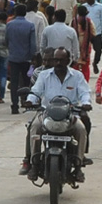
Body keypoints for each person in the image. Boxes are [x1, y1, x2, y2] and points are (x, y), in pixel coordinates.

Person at [21, 48, 90, 180]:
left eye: (61, 60)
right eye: (56, 60)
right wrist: (30, 101)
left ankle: (79, 165)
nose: (58, 63)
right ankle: (34, 164)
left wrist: (86, 103)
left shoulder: (77, 76)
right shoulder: (44, 75)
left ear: (68, 60)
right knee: (34, 127)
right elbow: (35, 91)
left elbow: (84, 92)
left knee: (81, 129)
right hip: (47, 113)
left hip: (70, 114)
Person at [5, 6, 38, 114]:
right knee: (26, 81)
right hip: (26, 58)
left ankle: (14, 105)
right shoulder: (30, 25)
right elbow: (33, 44)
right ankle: (25, 101)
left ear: (15, 12)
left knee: (14, 82)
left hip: (13, 57)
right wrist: (33, 56)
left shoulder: (9, 25)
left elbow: (6, 40)